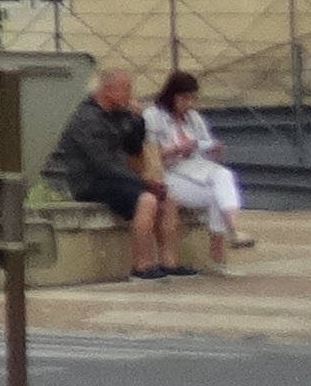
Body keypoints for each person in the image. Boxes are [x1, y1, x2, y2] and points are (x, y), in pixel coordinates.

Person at [44, 64, 158, 256]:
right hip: (91, 183)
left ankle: (169, 261)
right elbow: (102, 165)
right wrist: (141, 181)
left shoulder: (119, 114)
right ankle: (142, 266)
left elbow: (133, 148)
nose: (130, 95)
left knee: (166, 200)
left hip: (116, 179)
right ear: (108, 89)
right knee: (146, 200)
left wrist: (138, 121)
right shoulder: (86, 119)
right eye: (126, 89)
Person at [142, 70, 244, 275]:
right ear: (172, 95)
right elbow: (150, 156)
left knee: (223, 180)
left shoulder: (194, 118)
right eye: (184, 98)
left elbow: (205, 148)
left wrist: (214, 149)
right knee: (221, 182)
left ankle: (223, 248)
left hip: (196, 169)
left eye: (192, 98)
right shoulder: (153, 116)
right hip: (169, 173)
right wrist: (177, 149)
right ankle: (228, 239)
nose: (189, 103)